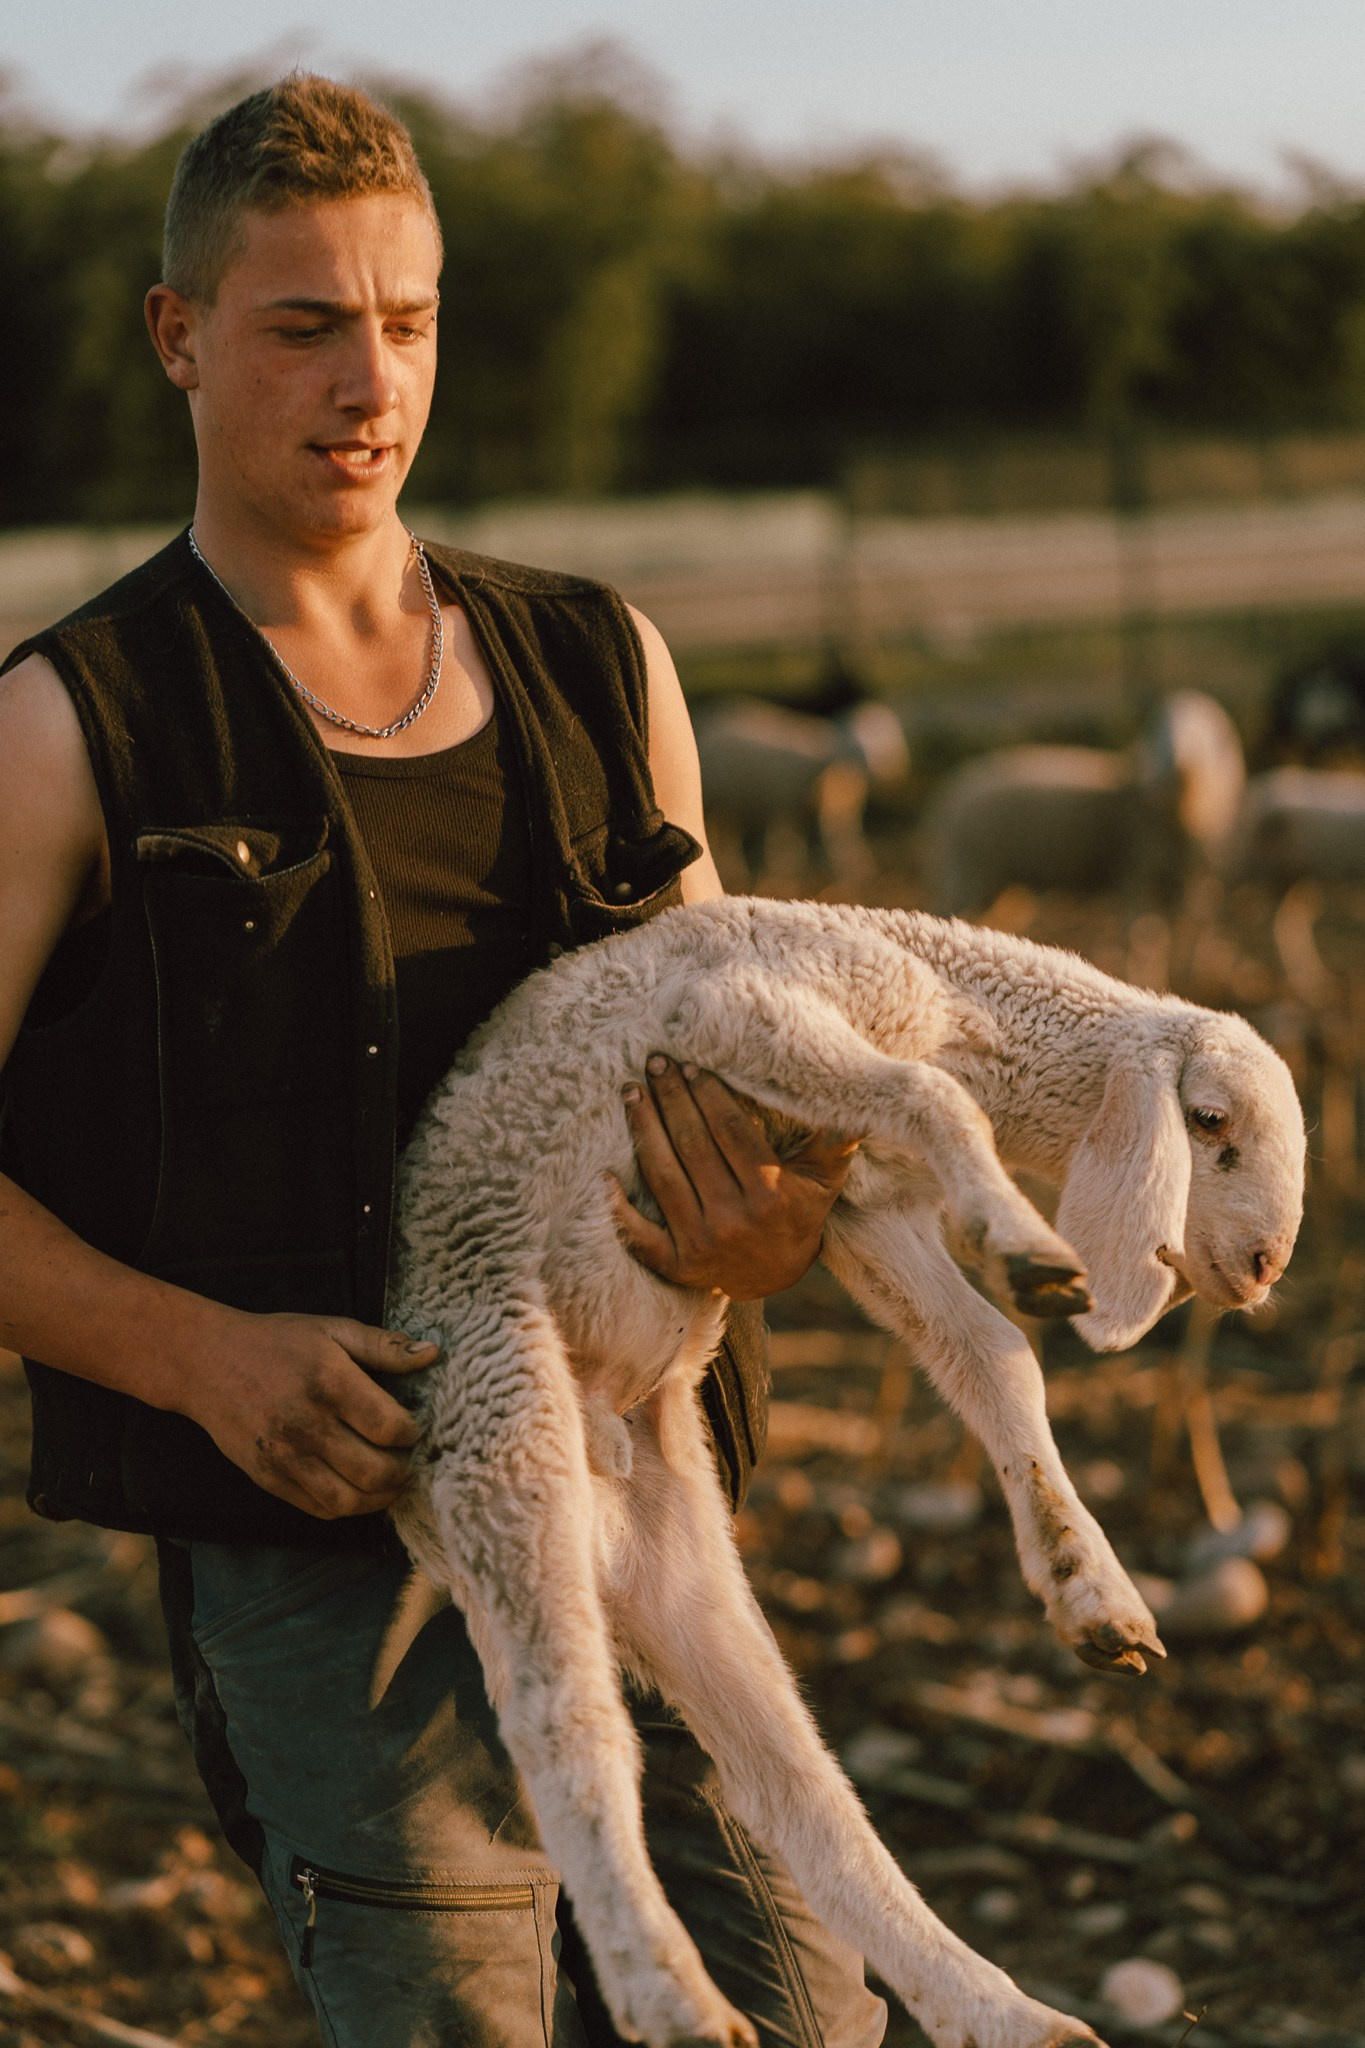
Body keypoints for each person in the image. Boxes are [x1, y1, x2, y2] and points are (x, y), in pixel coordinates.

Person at [0, 76, 885, 2048]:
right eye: (301, 321)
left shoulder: (597, 664)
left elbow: (752, 1065)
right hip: (332, 1568)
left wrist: (768, 1225)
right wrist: (196, 1352)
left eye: (403, 319)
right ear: (179, 335)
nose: (365, 377)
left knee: (807, 2020)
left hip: (637, 1513)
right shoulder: (72, 728)